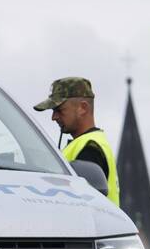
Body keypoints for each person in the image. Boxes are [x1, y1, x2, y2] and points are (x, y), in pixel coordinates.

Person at [34, 77, 120, 205]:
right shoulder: (91, 143)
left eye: (59, 110)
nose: (54, 117)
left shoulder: (90, 148)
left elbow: (79, 204)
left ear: (83, 108)